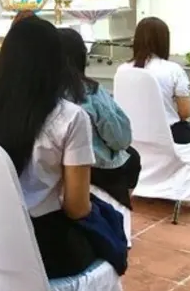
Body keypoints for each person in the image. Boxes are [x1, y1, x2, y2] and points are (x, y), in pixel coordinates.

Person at [0, 16, 98, 279]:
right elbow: (77, 207)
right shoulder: (70, 117)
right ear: (56, 61)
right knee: (108, 227)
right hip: (43, 245)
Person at [59, 28, 141, 208]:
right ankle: (119, 210)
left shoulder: (39, 94)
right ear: (82, 57)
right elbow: (120, 139)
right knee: (132, 158)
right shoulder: (91, 94)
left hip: (52, 168)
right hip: (95, 168)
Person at [122, 17, 190, 144]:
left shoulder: (122, 69)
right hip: (167, 133)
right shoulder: (173, 70)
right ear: (164, 41)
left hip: (131, 133)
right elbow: (185, 112)